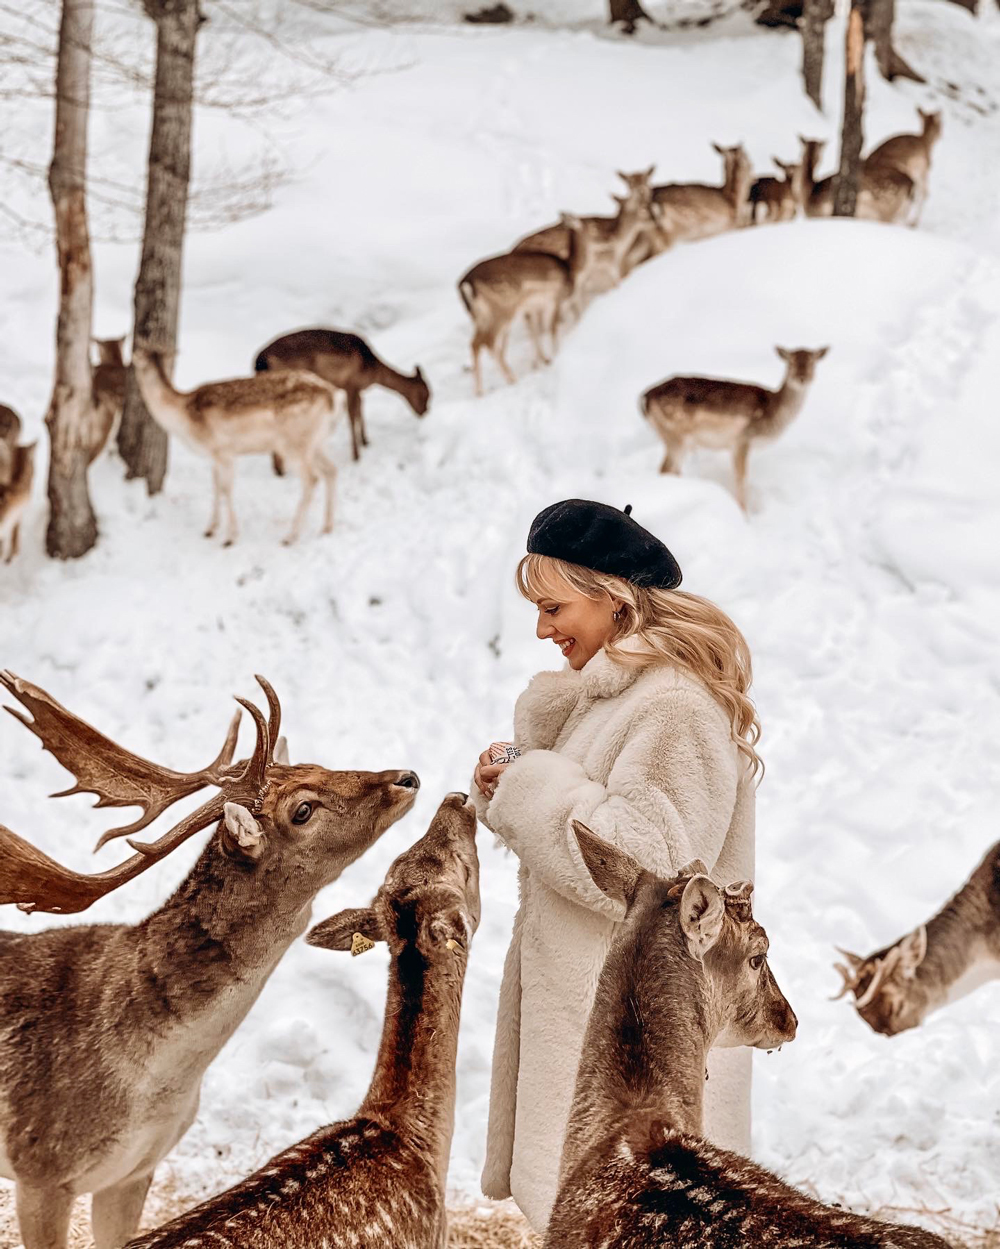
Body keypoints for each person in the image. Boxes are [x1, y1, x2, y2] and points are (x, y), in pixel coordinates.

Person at [471, 498, 761, 1234]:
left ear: (614, 597)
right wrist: (514, 778)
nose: (541, 628)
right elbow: (587, 823)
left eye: (553, 606)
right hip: (607, 1043)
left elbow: (648, 867)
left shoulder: (673, 707)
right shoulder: (622, 701)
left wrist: (529, 780)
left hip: (639, 1061)